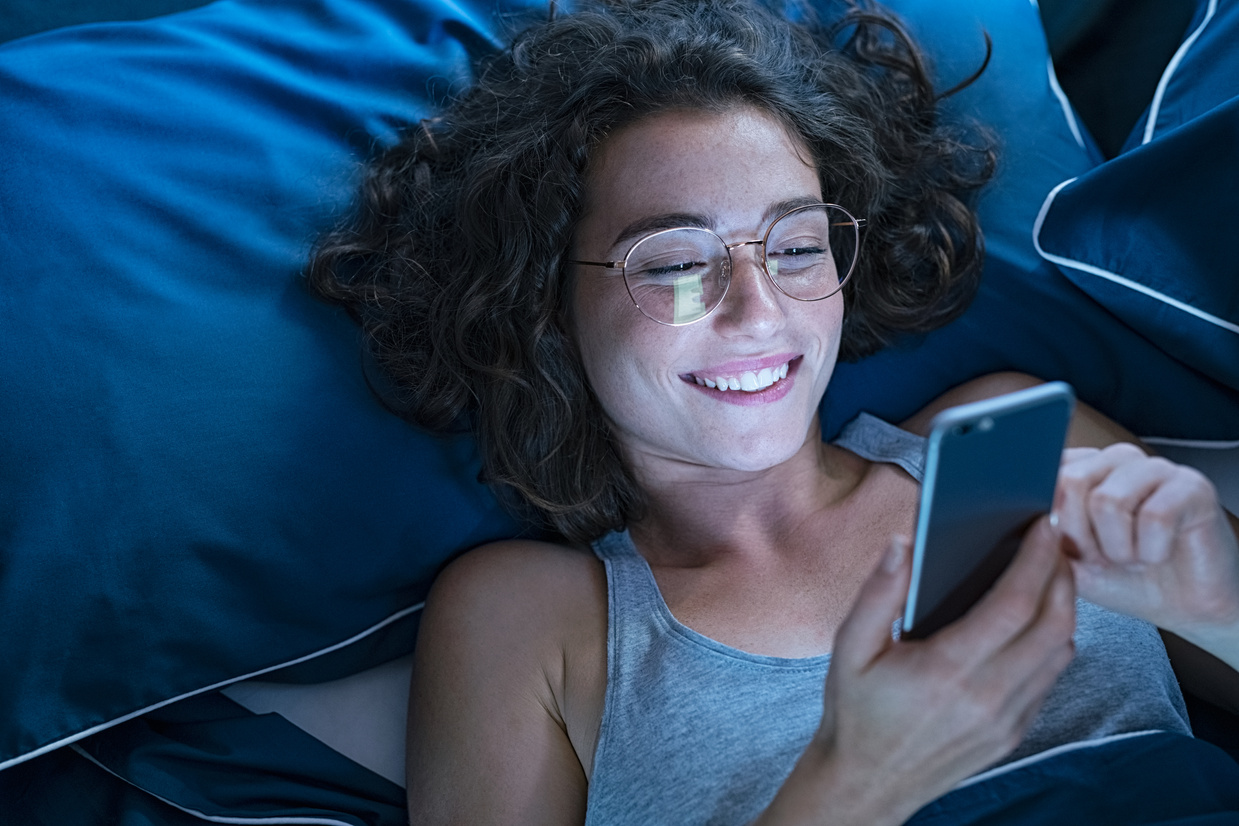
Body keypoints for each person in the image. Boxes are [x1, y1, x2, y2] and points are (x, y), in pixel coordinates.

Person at [307, 0, 1239, 822]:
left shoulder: (1022, 443)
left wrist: (1214, 607)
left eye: (796, 246)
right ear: (545, 301)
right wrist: (855, 781)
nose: (761, 312)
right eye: (673, 263)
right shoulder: (529, 620)